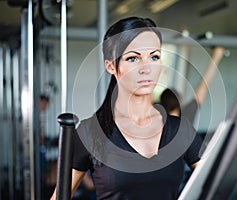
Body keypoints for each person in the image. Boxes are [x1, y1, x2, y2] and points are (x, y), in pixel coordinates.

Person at [50, 16, 202, 200]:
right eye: (133, 59)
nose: (146, 68)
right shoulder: (90, 132)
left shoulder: (180, 129)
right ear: (111, 66)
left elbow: (216, 181)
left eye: (154, 57)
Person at [160, 46, 224, 122]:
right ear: (179, 101)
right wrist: (217, 56)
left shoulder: (157, 122)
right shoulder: (185, 116)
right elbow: (204, 86)